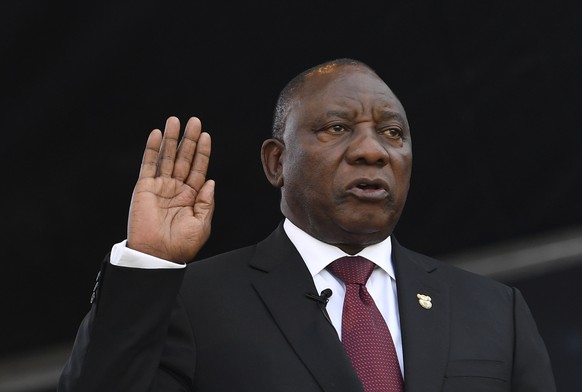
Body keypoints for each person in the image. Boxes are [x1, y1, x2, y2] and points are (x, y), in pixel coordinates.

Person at [58, 58, 556, 391]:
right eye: (337, 128)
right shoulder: (193, 304)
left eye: (392, 132)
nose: (372, 150)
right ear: (276, 163)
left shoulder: (495, 310)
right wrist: (148, 262)